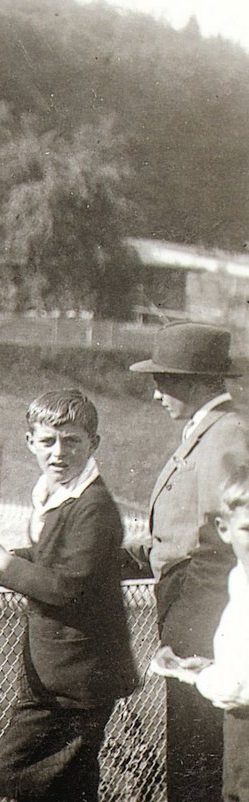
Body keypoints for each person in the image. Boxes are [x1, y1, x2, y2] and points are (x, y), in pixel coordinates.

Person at [0, 388, 138, 802]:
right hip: (59, 672)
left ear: (93, 444)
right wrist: (18, 558)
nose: (59, 452)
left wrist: (3, 564)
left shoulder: (92, 506)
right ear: (30, 443)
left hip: (77, 680)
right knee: (67, 785)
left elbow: (66, 586)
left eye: (72, 441)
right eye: (47, 441)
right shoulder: (55, 495)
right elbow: (57, 557)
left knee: (16, 774)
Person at [128, 321, 247, 802]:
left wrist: (188, 617)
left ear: (196, 382)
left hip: (200, 600)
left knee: (196, 746)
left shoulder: (225, 436)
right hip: (187, 597)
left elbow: (225, 537)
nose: (157, 394)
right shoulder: (205, 433)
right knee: (190, 739)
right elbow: (176, 528)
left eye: (164, 381)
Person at [154, 465, 249, 801]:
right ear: (223, 529)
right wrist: (207, 667)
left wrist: (201, 677)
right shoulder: (239, 578)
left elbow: (238, 688)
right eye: (248, 529)